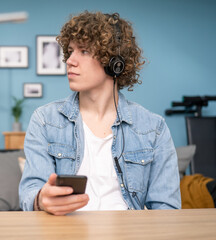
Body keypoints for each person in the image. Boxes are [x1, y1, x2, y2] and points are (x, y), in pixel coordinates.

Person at [19, 11, 181, 215]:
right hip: (64, 233)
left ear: (114, 63)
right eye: (70, 51)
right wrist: (41, 199)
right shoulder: (45, 120)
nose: (70, 60)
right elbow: (29, 192)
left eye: (84, 51)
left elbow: (167, 210)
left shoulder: (153, 128)